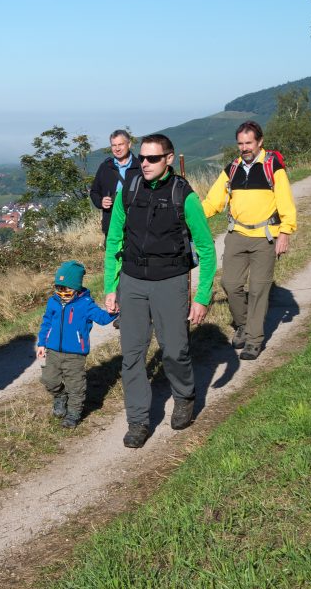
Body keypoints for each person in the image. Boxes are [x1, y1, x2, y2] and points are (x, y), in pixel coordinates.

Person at [103, 133, 216, 448]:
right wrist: (111, 287)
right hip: (132, 282)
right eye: (142, 158)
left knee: (174, 350)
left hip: (171, 281)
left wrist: (202, 297)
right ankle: (138, 421)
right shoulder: (129, 189)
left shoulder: (184, 196)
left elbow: (207, 250)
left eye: (153, 158)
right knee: (132, 356)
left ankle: (184, 395)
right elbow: (114, 240)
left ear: (169, 158)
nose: (145, 163)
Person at [200, 120, 297, 361]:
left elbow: (285, 202)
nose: (244, 148)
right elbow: (213, 202)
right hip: (237, 235)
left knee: (258, 289)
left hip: (265, 237)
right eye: (240, 143)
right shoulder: (232, 169)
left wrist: (285, 232)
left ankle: (254, 340)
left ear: (260, 142)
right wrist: (191, 215)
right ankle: (243, 324)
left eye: (249, 143)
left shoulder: (273, 167)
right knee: (230, 284)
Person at [35, 260, 117, 428]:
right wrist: (42, 343)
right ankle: (60, 396)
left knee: (75, 386)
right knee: (49, 380)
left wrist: (114, 311)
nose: (61, 292)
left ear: (76, 288)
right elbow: (47, 322)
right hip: (53, 351)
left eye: (65, 289)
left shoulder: (85, 304)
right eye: (58, 288)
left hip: (75, 354)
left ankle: (73, 414)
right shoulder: (53, 302)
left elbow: (102, 318)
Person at [88, 130, 141, 241]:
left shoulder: (140, 167)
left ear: (129, 144)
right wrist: (101, 201)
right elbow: (94, 191)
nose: (117, 148)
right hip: (111, 224)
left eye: (120, 144)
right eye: (114, 145)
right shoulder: (105, 167)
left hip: (136, 225)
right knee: (112, 251)